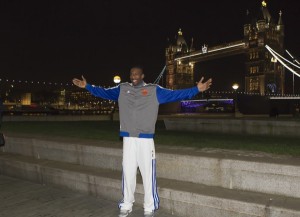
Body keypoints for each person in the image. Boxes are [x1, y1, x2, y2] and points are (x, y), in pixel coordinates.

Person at [72, 66, 212, 217]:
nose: (134, 76)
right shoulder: (122, 89)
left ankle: (149, 207)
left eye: (137, 73)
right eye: (132, 73)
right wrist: (87, 86)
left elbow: (175, 95)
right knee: (128, 172)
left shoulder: (154, 90)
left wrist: (196, 89)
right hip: (128, 138)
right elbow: (104, 92)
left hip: (145, 140)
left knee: (148, 174)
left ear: (142, 75)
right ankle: (126, 204)